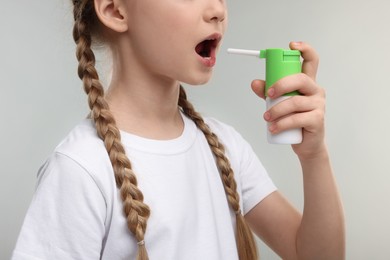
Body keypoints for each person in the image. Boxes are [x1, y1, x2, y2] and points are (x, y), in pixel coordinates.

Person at [12, 0, 345, 259]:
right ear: (115, 11)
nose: (218, 10)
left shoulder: (225, 148)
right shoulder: (81, 169)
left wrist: (313, 154)